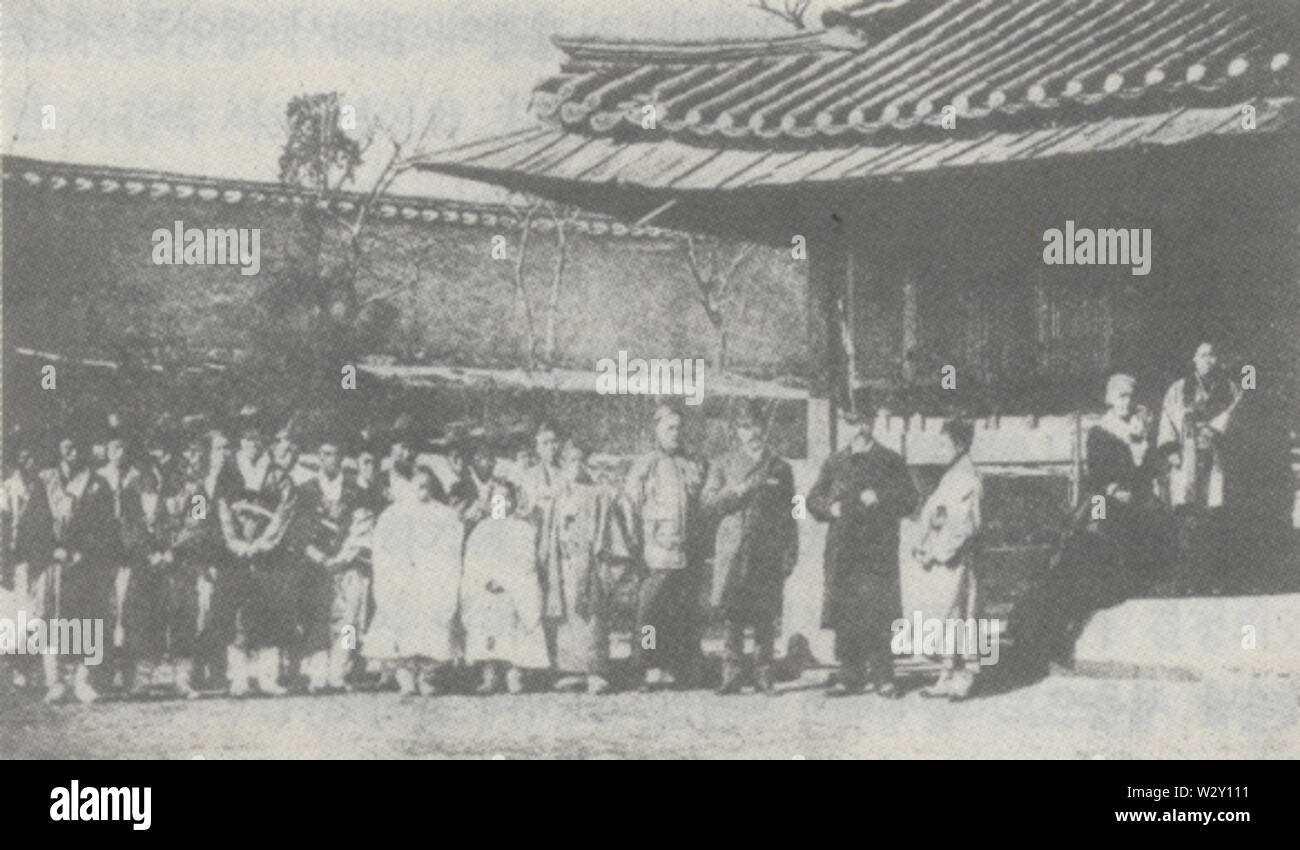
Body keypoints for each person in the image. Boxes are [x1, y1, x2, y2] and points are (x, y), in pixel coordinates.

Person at [1014, 374, 1169, 673]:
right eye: (1121, 396)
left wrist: (1140, 449)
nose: (1127, 402)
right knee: (1087, 549)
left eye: (1131, 397)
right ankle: (1046, 636)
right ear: (1110, 399)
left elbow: (1149, 472)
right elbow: (1099, 475)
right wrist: (1117, 488)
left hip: (1135, 507)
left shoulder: (1139, 434)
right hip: (1102, 503)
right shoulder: (1100, 432)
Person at [806, 390, 917, 698]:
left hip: (876, 552)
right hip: (844, 552)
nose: (858, 429)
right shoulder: (835, 461)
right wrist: (831, 508)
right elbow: (812, 499)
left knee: (880, 612)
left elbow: (910, 500)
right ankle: (849, 674)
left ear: (873, 422)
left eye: (863, 422)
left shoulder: (890, 461)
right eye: (851, 422)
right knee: (847, 613)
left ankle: (884, 677)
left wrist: (881, 498)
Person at [701, 400, 798, 696]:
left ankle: (764, 674)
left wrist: (790, 551)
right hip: (733, 549)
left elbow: (793, 512)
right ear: (736, 432)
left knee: (765, 615)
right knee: (733, 614)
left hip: (766, 548)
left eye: (755, 426)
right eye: (744, 427)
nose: (751, 433)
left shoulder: (780, 467)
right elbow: (707, 503)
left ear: (763, 428)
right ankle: (731, 674)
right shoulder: (723, 463)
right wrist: (735, 491)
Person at [624, 404, 707, 691]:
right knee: (649, 616)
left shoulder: (693, 463)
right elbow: (630, 508)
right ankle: (647, 666)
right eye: (669, 428)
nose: (676, 433)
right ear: (657, 430)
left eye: (679, 427)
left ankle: (675, 665)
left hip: (686, 552)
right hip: (655, 551)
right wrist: (637, 548)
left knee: (678, 613)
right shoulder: (645, 465)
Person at [899, 419, 983, 701]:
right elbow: (937, 517)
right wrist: (923, 544)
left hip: (955, 559)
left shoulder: (966, 478)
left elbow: (962, 526)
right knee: (947, 616)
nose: (940, 449)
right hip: (943, 558)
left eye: (945, 443)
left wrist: (935, 551)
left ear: (959, 445)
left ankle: (963, 677)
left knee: (960, 614)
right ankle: (946, 673)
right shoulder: (952, 476)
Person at [217, 409, 298, 696]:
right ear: (240, 442)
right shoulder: (228, 472)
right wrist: (237, 544)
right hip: (236, 554)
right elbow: (222, 509)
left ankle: (267, 677)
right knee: (239, 613)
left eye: (257, 439)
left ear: (264, 441)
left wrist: (262, 545)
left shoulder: (278, 475)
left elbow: (284, 513)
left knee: (270, 612)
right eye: (247, 439)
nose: (253, 444)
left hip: (268, 555)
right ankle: (239, 677)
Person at [364, 466, 463, 695]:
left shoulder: (445, 515)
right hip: (403, 580)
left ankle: (427, 676)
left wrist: (440, 575)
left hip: (432, 579)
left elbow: (451, 550)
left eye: (427, 484)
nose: (422, 489)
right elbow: (382, 551)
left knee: (432, 629)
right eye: (417, 484)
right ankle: (405, 676)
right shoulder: (392, 515)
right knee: (402, 629)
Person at [546, 440, 633, 696]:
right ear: (562, 464)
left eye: (580, 460)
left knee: (592, 617)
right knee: (568, 617)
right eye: (571, 461)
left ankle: (596, 671)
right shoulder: (558, 494)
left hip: (591, 561)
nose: (576, 466)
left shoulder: (598, 493)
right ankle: (571, 670)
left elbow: (614, 520)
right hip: (564, 562)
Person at [36, 426, 116, 703]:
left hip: (86, 563)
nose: (73, 451)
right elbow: (33, 524)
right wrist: (52, 549)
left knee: (89, 620)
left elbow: (107, 528)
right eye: (67, 446)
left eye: (78, 446)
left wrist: (86, 552)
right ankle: (55, 682)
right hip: (54, 563)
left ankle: (84, 680)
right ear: (59, 448)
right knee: (52, 620)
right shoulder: (45, 480)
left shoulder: (97, 483)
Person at [1157, 342, 1241, 593]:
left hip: (1216, 455)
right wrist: (1171, 450)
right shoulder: (1179, 388)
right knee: (1188, 515)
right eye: (1203, 355)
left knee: (1215, 514)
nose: (1208, 360)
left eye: (1212, 355)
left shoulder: (1231, 387)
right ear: (1194, 359)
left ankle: (1216, 580)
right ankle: (1188, 579)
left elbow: (1235, 413)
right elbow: (1167, 418)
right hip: (1188, 455)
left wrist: (1213, 428)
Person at [292, 430, 367, 693]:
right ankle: (318, 673)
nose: (330, 459)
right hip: (316, 566)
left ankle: (340, 671)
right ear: (317, 457)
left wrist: (343, 557)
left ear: (342, 458)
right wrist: (319, 556)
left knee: (348, 621)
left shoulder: (355, 491)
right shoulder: (305, 491)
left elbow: (362, 528)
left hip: (347, 565)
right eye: (325, 454)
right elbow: (298, 530)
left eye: (335, 454)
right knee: (316, 618)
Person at [461, 481, 550, 694]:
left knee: (516, 606)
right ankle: (489, 671)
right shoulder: (481, 529)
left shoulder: (523, 529)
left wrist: (506, 581)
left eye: (507, 499)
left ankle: (514, 671)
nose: (502, 504)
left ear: (513, 502)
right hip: (486, 588)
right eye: (497, 499)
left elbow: (526, 562)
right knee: (484, 607)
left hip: (513, 587)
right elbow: (473, 561)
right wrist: (486, 580)